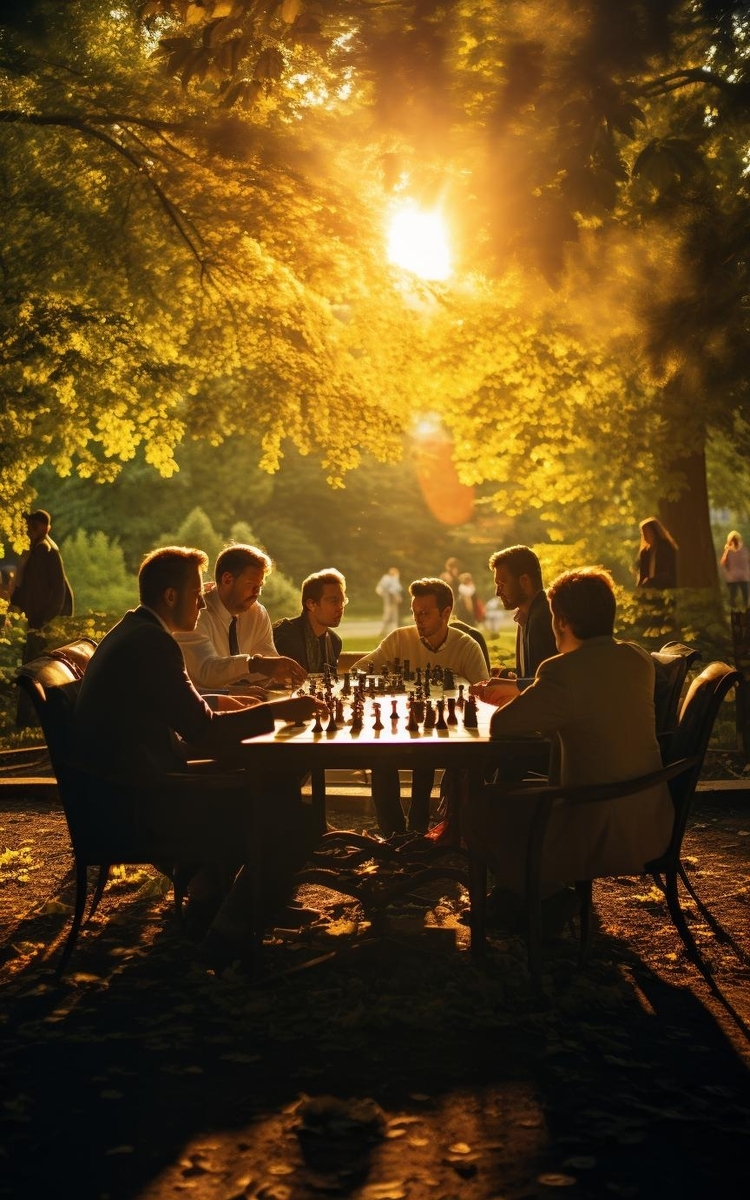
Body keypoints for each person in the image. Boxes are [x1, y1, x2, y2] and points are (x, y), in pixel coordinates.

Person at [73, 546, 327, 968]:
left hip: (123, 787)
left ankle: (228, 901)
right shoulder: (154, 644)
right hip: (139, 804)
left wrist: (215, 700)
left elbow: (169, 705)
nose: (202, 600)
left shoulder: (137, 633)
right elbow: (205, 733)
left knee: (278, 786)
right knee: (299, 821)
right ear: (171, 597)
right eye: (196, 593)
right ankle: (228, 933)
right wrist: (279, 710)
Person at [463, 568, 673, 918]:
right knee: (518, 793)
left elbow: (502, 725)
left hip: (595, 821)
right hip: (651, 817)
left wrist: (523, 693)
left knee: (480, 806)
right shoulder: (637, 657)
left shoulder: (562, 671)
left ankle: (538, 897)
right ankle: (533, 892)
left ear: (560, 622)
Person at [352, 577, 487, 835]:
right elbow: (359, 671)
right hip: (399, 726)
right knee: (381, 758)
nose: (417, 619)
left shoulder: (466, 647)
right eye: (415, 613)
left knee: (426, 759)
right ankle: (394, 835)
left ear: (446, 612)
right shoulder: (399, 639)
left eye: (425, 613)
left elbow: (482, 692)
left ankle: (418, 830)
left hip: (446, 732)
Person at [174, 543, 306, 693]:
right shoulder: (195, 613)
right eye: (251, 584)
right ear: (227, 579)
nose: (257, 592)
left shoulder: (257, 613)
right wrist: (255, 665)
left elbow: (268, 665)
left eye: (260, 585)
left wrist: (280, 672)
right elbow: (205, 673)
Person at [470, 545, 557, 709]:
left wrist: (506, 685)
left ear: (524, 581)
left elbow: (547, 685)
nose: (497, 592)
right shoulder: (526, 616)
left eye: (501, 583)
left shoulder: (544, 618)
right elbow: (532, 675)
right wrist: (503, 675)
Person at [10, 509, 74, 631]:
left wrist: (45, 619)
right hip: (36, 618)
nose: (30, 531)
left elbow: (58, 590)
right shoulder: (35, 551)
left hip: (43, 620)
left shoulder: (45, 551)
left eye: (34, 527)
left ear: (46, 529)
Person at [272, 569, 347, 672]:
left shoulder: (335, 641)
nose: (340, 608)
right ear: (311, 604)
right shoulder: (285, 636)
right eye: (334, 601)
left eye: (342, 602)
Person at [637, 518, 678, 589]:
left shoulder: (666, 548)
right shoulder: (645, 553)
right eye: (643, 533)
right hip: (649, 593)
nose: (645, 536)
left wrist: (651, 581)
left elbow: (668, 573)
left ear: (654, 531)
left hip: (666, 590)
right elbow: (642, 576)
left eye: (647, 532)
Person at [720, 531, 750, 611]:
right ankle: (745, 615)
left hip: (733, 577)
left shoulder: (728, 551)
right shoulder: (745, 550)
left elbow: (723, 563)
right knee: (745, 598)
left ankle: (735, 614)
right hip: (744, 577)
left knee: (733, 599)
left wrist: (726, 550)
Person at [375, 566, 403, 635]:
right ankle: (392, 631)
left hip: (387, 601)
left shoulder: (385, 579)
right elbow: (393, 591)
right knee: (392, 617)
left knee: (387, 616)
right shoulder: (392, 579)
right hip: (391, 601)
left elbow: (380, 589)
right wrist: (398, 598)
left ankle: (384, 631)